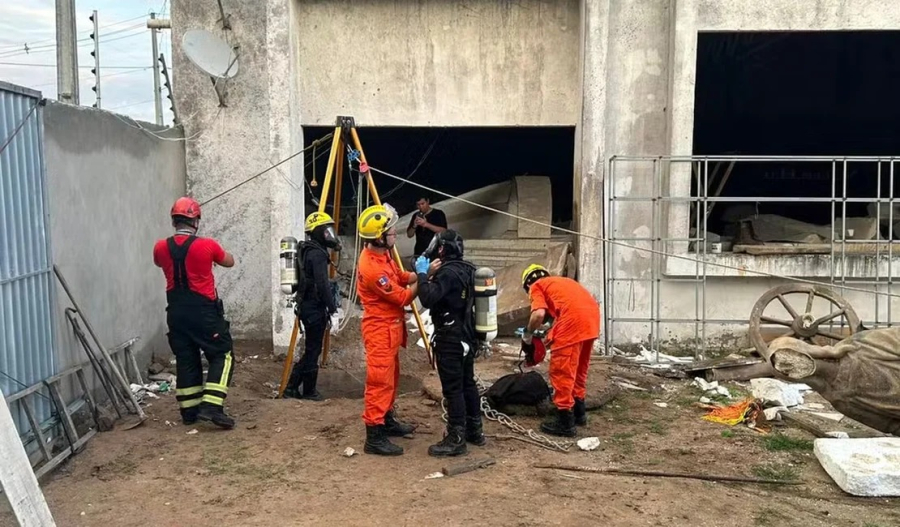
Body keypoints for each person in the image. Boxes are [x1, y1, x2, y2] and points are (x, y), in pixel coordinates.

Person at [153, 197, 237, 429]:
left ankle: (189, 412)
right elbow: (229, 262)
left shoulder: (160, 247)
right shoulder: (207, 245)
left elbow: (160, 263)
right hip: (204, 312)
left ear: (173, 220)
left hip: (176, 312)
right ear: (196, 221)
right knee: (223, 354)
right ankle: (212, 406)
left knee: (186, 358)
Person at [414, 230, 486, 457]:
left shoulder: (448, 273)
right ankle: (475, 430)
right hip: (468, 336)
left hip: (451, 338)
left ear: (442, 249)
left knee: (453, 388)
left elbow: (427, 298)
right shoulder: (470, 270)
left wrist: (423, 275)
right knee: (468, 384)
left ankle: (456, 438)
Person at [356, 203, 420, 456]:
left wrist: (418, 273)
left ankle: (386, 418)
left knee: (391, 379)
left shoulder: (382, 256)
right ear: (379, 237)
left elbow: (399, 277)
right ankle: (374, 435)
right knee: (379, 382)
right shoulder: (372, 269)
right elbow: (403, 297)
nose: (395, 234)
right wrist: (423, 282)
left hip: (390, 328)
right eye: (391, 232)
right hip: (380, 329)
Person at [520, 264, 600, 437]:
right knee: (579, 368)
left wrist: (527, 334)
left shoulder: (537, 286)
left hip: (573, 321)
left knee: (562, 371)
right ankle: (579, 413)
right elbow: (567, 310)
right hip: (591, 319)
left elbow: (538, 315)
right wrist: (550, 337)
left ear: (528, 284)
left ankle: (565, 421)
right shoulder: (562, 282)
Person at [283, 211, 342, 401]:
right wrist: (333, 309)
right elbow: (322, 284)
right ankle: (308, 391)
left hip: (308, 306)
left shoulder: (310, 249)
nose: (329, 234)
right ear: (317, 232)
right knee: (312, 350)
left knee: (311, 349)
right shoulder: (316, 254)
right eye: (326, 230)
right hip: (313, 308)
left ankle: (292, 388)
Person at [406, 195, 448, 260]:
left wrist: (426, 224)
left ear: (428, 201)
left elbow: (444, 231)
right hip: (420, 252)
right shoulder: (416, 215)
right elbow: (409, 234)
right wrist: (414, 225)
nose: (421, 207)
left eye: (423, 204)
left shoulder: (438, 213)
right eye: (418, 205)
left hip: (435, 252)